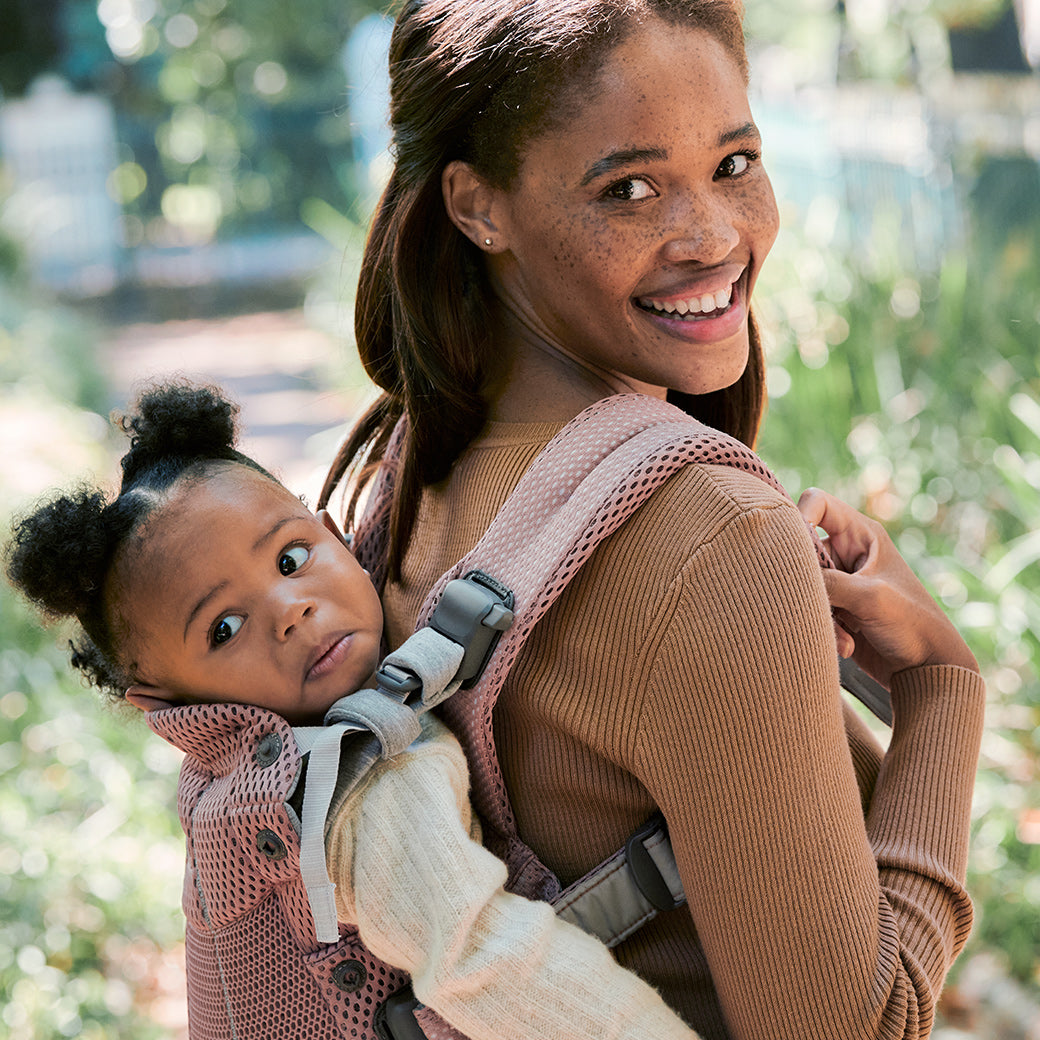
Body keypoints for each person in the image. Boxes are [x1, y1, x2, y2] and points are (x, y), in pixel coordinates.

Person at [318, 1, 987, 1038]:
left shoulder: (402, 475)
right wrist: (941, 689)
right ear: (475, 204)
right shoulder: (707, 538)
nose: (714, 236)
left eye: (732, 163)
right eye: (627, 189)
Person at [5, 382, 706, 1040]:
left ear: (335, 532)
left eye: (290, 558)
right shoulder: (361, 789)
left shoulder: (239, 782)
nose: (291, 610)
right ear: (176, 709)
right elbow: (490, 964)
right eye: (223, 629)